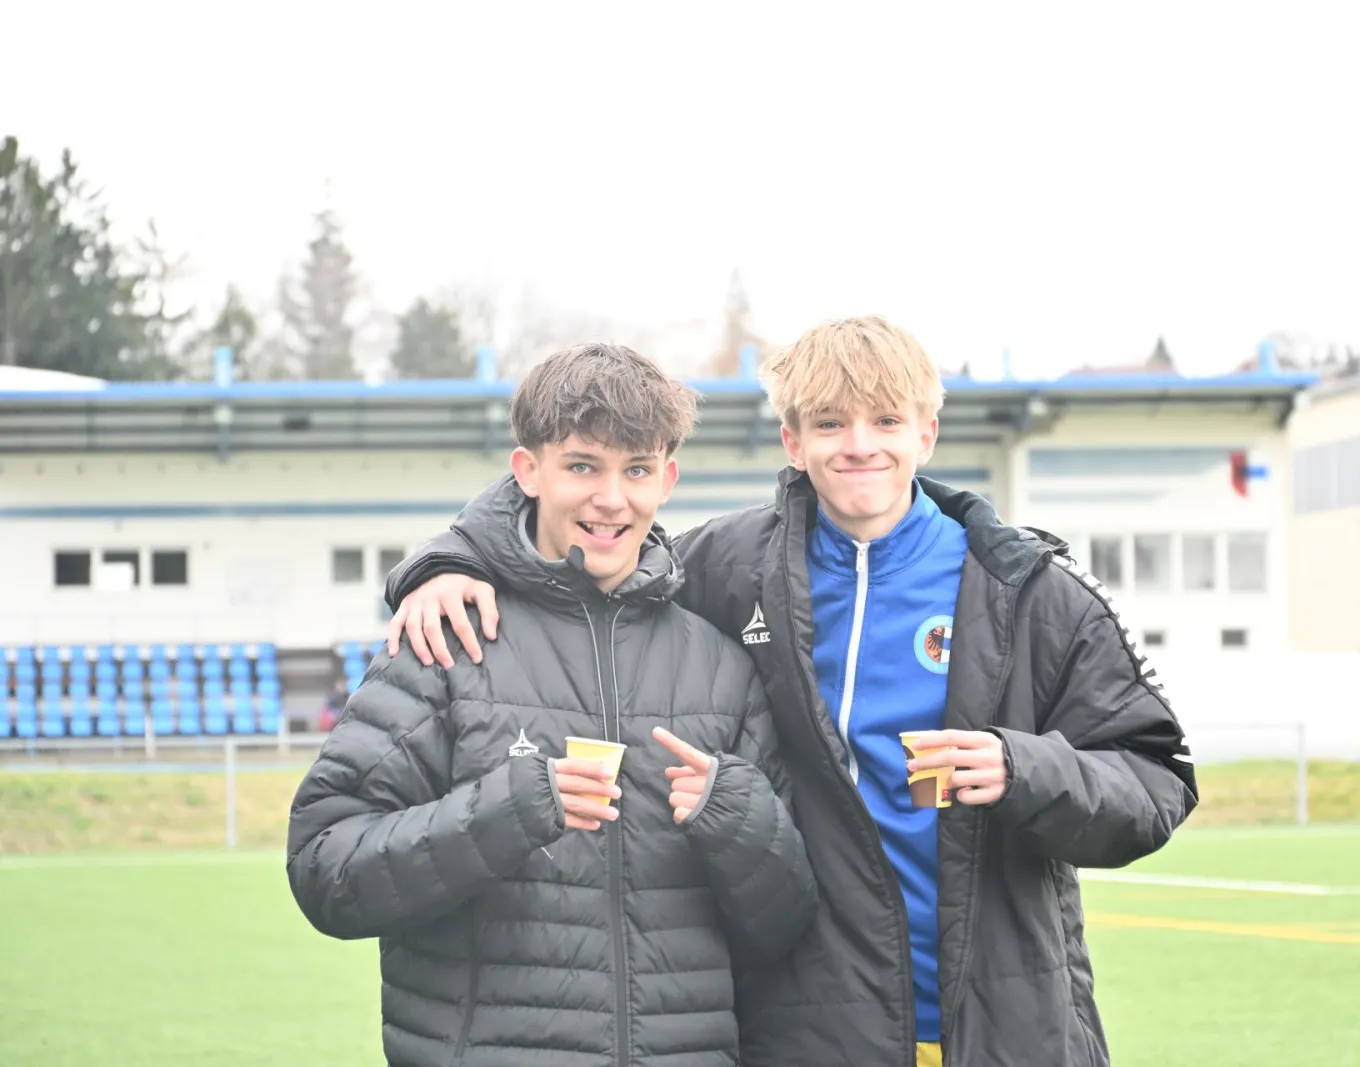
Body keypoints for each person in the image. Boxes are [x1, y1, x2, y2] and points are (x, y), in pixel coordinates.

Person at [385, 317, 1199, 1067]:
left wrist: (1023, 767)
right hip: (813, 1031)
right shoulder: (726, 567)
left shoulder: (1031, 588)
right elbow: (596, 530)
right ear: (792, 440)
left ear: (927, 432)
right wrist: (448, 560)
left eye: (886, 421)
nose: (860, 446)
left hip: (1011, 1023)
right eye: (830, 423)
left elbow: (1157, 777)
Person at [286, 343, 818, 1067]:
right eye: (582, 466)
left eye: (636, 469)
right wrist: (509, 810)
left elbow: (783, 927)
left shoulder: (721, 666)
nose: (612, 498)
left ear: (667, 479)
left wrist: (737, 819)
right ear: (528, 472)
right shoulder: (447, 639)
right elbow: (327, 872)